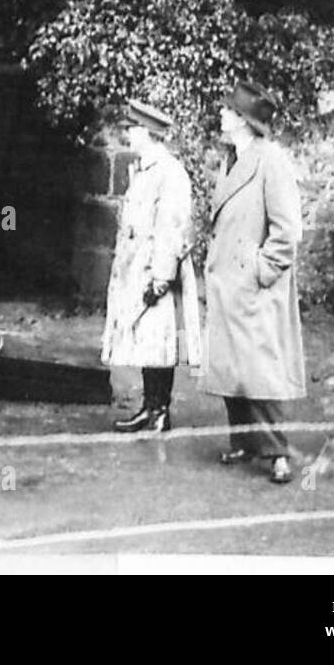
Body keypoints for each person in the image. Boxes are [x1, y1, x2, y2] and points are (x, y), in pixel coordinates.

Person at [202, 81, 305, 485]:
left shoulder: (270, 160)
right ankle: (244, 441)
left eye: (229, 111)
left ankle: (277, 451)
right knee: (233, 367)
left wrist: (261, 270)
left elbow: (287, 231)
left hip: (254, 285)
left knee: (260, 369)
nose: (222, 115)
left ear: (246, 122)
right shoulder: (232, 158)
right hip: (228, 282)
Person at [101, 100, 201, 432]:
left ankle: (161, 411)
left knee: (159, 341)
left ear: (146, 132)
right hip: (137, 266)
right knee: (146, 341)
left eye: (131, 129)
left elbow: (171, 228)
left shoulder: (169, 173)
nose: (127, 134)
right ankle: (150, 406)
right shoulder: (145, 169)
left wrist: (160, 278)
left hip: (155, 270)